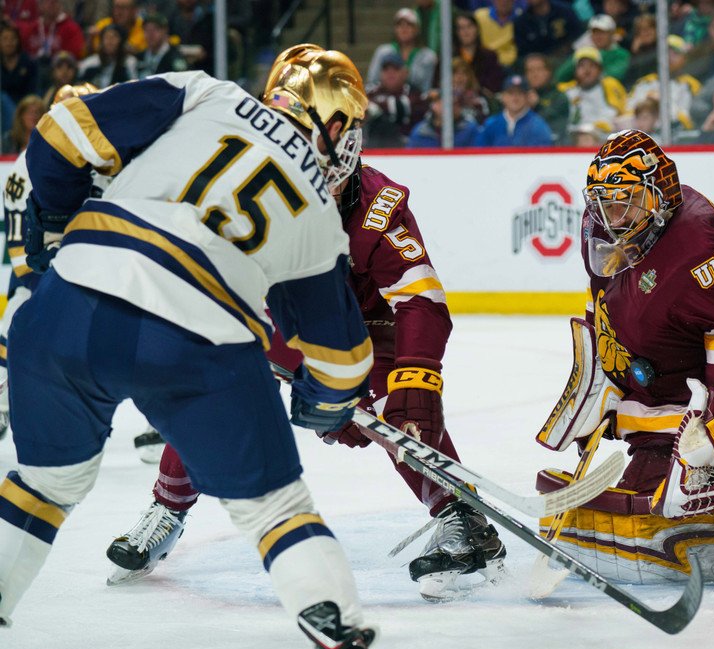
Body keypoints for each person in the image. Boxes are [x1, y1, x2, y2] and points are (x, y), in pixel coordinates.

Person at [0, 44, 410, 649]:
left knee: (44, 487)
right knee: (277, 510)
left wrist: (54, 230)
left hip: (70, 305)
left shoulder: (203, 91)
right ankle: (345, 646)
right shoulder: (321, 215)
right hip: (197, 343)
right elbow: (341, 358)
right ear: (335, 126)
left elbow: (61, 132)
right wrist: (322, 404)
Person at [106, 63, 506, 604]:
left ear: (345, 142)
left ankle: (460, 515)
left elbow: (421, 300)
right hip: (291, 320)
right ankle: (168, 507)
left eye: (307, 144)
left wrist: (417, 378)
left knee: (403, 406)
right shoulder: (250, 189)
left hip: (368, 327)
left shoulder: (378, 206)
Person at [535, 128, 714, 582]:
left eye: (624, 200)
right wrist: (602, 386)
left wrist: (713, 444)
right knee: (641, 490)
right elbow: (601, 302)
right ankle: (660, 460)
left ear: (660, 197)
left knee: (673, 492)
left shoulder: (699, 253)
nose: (611, 214)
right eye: (602, 200)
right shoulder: (601, 224)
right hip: (668, 378)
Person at [0, 84, 98, 443]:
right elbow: (17, 239)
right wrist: (46, 285)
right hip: (41, 276)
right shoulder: (27, 165)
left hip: (89, 271)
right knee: (16, 321)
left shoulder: (105, 157)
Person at [364, 52, 428, 149]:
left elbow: (404, 108)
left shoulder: (414, 92)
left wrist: (378, 108)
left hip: (410, 148)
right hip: (376, 146)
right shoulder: (371, 92)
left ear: (405, 72)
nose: (390, 73)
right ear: (380, 73)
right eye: (386, 69)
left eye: (395, 69)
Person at [367, 8, 438, 95]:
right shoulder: (383, 51)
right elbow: (372, 82)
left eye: (409, 24)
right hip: (385, 100)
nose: (404, 28)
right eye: (399, 24)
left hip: (416, 102)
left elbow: (427, 88)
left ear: (417, 29)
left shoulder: (428, 56)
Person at [559, 46, 626, 133]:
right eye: (582, 66)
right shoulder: (568, 90)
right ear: (575, 70)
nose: (587, 70)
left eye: (592, 65)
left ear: (600, 69)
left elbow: (618, 113)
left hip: (605, 138)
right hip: (573, 142)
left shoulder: (609, 84)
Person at [476, 73, 552, 146]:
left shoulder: (538, 126)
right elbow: (478, 153)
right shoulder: (491, 124)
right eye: (511, 93)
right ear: (503, 97)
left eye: (520, 93)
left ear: (527, 97)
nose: (515, 98)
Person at [554, 13, 628, 84]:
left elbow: (613, 76)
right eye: (594, 32)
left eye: (602, 32)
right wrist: (581, 53)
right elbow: (560, 76)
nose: (598, 36)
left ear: (612, 33)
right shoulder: (584, 52)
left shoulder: (621, 53)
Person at [513, 0, 583, 65]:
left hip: (568, 61)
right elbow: (523, 55)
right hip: (538, 67)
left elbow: (579, 38)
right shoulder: (520, 23)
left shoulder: (565, 12)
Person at [407, 90, 481, 147]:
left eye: (457, 104)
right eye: (448, 104)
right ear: (434, 105)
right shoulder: (421, 132)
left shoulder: (469, 129)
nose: (453, 108)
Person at [524, 51, 569, 143]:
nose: (534, 75)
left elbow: (557, 122)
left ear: (548, 72)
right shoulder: (521, 97)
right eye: (530, 71)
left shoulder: (560, 97)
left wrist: (537, 105)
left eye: (539, 69)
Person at [135, 11, 187, 78]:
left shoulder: (174, 56)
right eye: (147, 29)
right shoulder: (140, 57)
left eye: (155, 29)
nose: (150, 34)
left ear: (165, 31)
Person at [1, 19, 38, 104]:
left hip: (25, 107)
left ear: (18, 41)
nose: (9, 43)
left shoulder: (29, 64)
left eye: (13, 39)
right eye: (5, 39)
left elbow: (33, 92)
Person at [475, 0, 520, 68]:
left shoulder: (521, 17)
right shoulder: (479, 16)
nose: (504, 2)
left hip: (513, 65)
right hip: (485, 64)